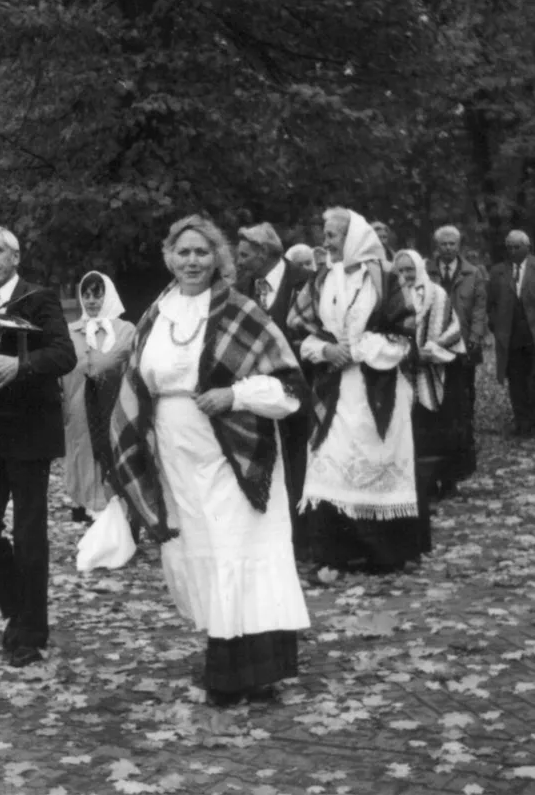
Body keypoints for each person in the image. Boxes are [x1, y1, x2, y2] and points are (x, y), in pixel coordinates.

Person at [110, 215, 310, 707]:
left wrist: (234, 395)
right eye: (183, 252)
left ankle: (238, 674)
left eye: (202, 252)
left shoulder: (241, 310)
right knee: (199, 549)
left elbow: (290, 386)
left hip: (233, 451)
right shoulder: (156, 314)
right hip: (175, 455)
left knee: (235, 547)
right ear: (169, 258)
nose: (192, 261)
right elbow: (136, 383)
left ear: (218, 258)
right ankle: (234, 660)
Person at [0, 226, 75, 667]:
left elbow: (64, 354)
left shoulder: (39, 298)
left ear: (15, 256)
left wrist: (20, 364)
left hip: (29, 431)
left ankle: (30, 632)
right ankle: (17, 608)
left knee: (29, 535)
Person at [289, 208, 423, 580]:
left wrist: (360, 348)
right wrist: (326, 350)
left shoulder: (384, 277)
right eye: (325, 235)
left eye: (332, 235)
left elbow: (406, 333)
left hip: (376, 389)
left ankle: (383, 555)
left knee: (375, 457)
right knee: (330, 460)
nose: (326, 242)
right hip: (332, 388)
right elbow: (298, 326)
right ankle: (334, 555)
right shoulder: (321, 278)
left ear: (353, 237)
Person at [234, 222, 314, 561]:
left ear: (264, 253)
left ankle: (303, 539)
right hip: (259, 393)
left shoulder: (306, 281)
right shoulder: (242, 287)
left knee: (300, 461)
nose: (239, 262)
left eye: (244, 255)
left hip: (302, 387)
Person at [394, 250, 466, 517]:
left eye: (409, 269)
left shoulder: (437, 293)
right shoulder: (393, 297)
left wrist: (432, 349)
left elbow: (453, 327)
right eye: (400, 270)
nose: (405, 275)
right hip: (404, 372)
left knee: (439, 430)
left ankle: (445, 481)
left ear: (419, 268)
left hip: (435, 370)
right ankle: (422, 485)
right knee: (413, 431)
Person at [63, 271, 135, 525]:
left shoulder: (125, 331)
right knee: (82, 455)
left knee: (111, 452)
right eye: (86, 295)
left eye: (97, 294)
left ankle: (111, 508)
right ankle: (84, 504)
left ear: (109, 295)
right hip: (78, 407)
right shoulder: (70, 332)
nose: (91, 300)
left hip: (112, 406)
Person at [487, 230, 535, 437]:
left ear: (527, 247)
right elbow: (491, 303)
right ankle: (523, 423)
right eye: (509, 247)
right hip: (511, 336)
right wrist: (496, 325)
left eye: (517, 247)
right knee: (516, 380)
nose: (513, 251)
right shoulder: (498, 272)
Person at [426, 226, 487, 494]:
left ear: (459, 245)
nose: (448, 248)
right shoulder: (426, 271)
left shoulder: (473, 273)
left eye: (452, 243)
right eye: (444, 244)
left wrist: (475, 338)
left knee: (462, 402)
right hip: (433, 349)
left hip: (463, 349)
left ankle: (459, 462)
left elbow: (479, 309)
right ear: (436, 246)